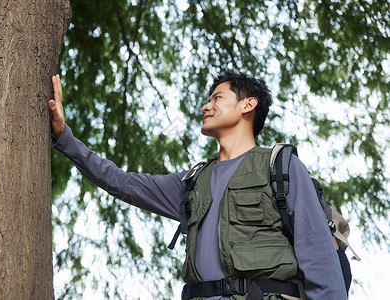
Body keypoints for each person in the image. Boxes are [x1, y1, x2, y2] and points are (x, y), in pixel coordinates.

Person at [48, 72, 347, 300]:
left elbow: (320, 260)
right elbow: (124, 183)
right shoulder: (193, 182)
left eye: (217, 98)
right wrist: (64, 137)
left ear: (248, 104)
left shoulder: (280, 167)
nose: (206, 105)